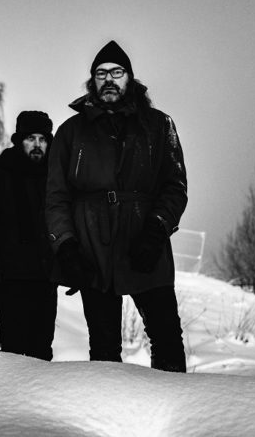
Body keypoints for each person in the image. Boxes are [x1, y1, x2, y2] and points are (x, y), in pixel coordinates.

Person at [46, 40, 188, 371]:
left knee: (166, 335)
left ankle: (174, 400)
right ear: (92, 81)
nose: (108, 79)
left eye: (117, 72)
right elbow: (55, 197)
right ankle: (107, 402)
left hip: (144, 240)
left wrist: (156, 230)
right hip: (91, 247)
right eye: (101, 73)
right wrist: (66, 246)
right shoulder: (71, 132)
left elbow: (175, 187)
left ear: (130, 78)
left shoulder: (158, 125)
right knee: (104, 344)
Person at [0, 111, 57, 360]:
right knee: (13, 349)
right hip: (10, 277)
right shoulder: (1, 172)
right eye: (31, 138)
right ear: (19, 141)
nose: (37, 145)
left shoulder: (54, 175)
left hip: (44, 276)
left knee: (41, 349)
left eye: (42, 139)